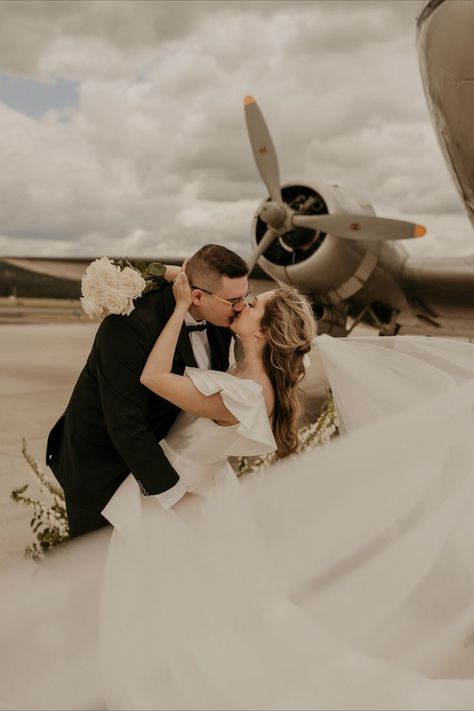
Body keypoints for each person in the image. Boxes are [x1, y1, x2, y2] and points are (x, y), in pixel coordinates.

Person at [2, 273, 474, 710]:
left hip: (178, 498)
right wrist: (182, 283)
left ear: (263, 333)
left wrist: (178, 307)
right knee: (180, 611)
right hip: (196, 494)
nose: (242, 305)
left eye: (252, 305)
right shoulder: (245, 368)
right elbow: (214, 305)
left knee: (161, 613)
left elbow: (153, 379)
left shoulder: (246, 391)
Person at [45, 244, 251, 537]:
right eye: (234, 300)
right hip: (102, 467)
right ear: (196, 296)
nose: (242, 306)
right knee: (96, 570)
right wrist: (175, 495)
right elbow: (125, 423)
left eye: (245, 295)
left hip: (163, 457)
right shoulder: (128, 326)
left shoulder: (219, 319)